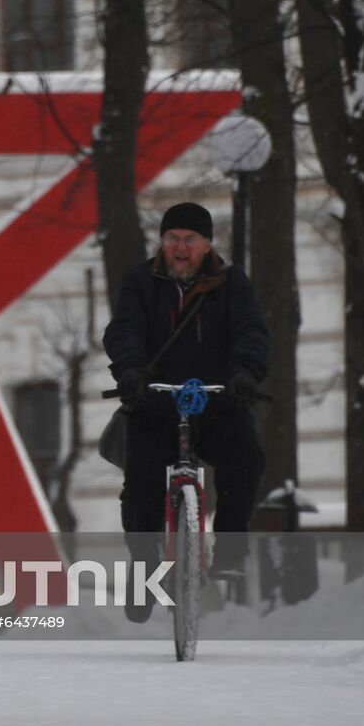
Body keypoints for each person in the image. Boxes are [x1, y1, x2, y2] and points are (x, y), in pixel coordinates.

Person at [103, 202, 268, 621]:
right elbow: (124, 329)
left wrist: (245, 372)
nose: (180, 247)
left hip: (216, 400)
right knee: (140, 484)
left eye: (189, 239)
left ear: (207, 244)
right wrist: (130, 370)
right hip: (155, 399)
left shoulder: (231, 283)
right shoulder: (140, 281)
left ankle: (230, 550)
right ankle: (144, 569)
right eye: (172, 238)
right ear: (162, 242)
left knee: (245, 456)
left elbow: (250, 330)